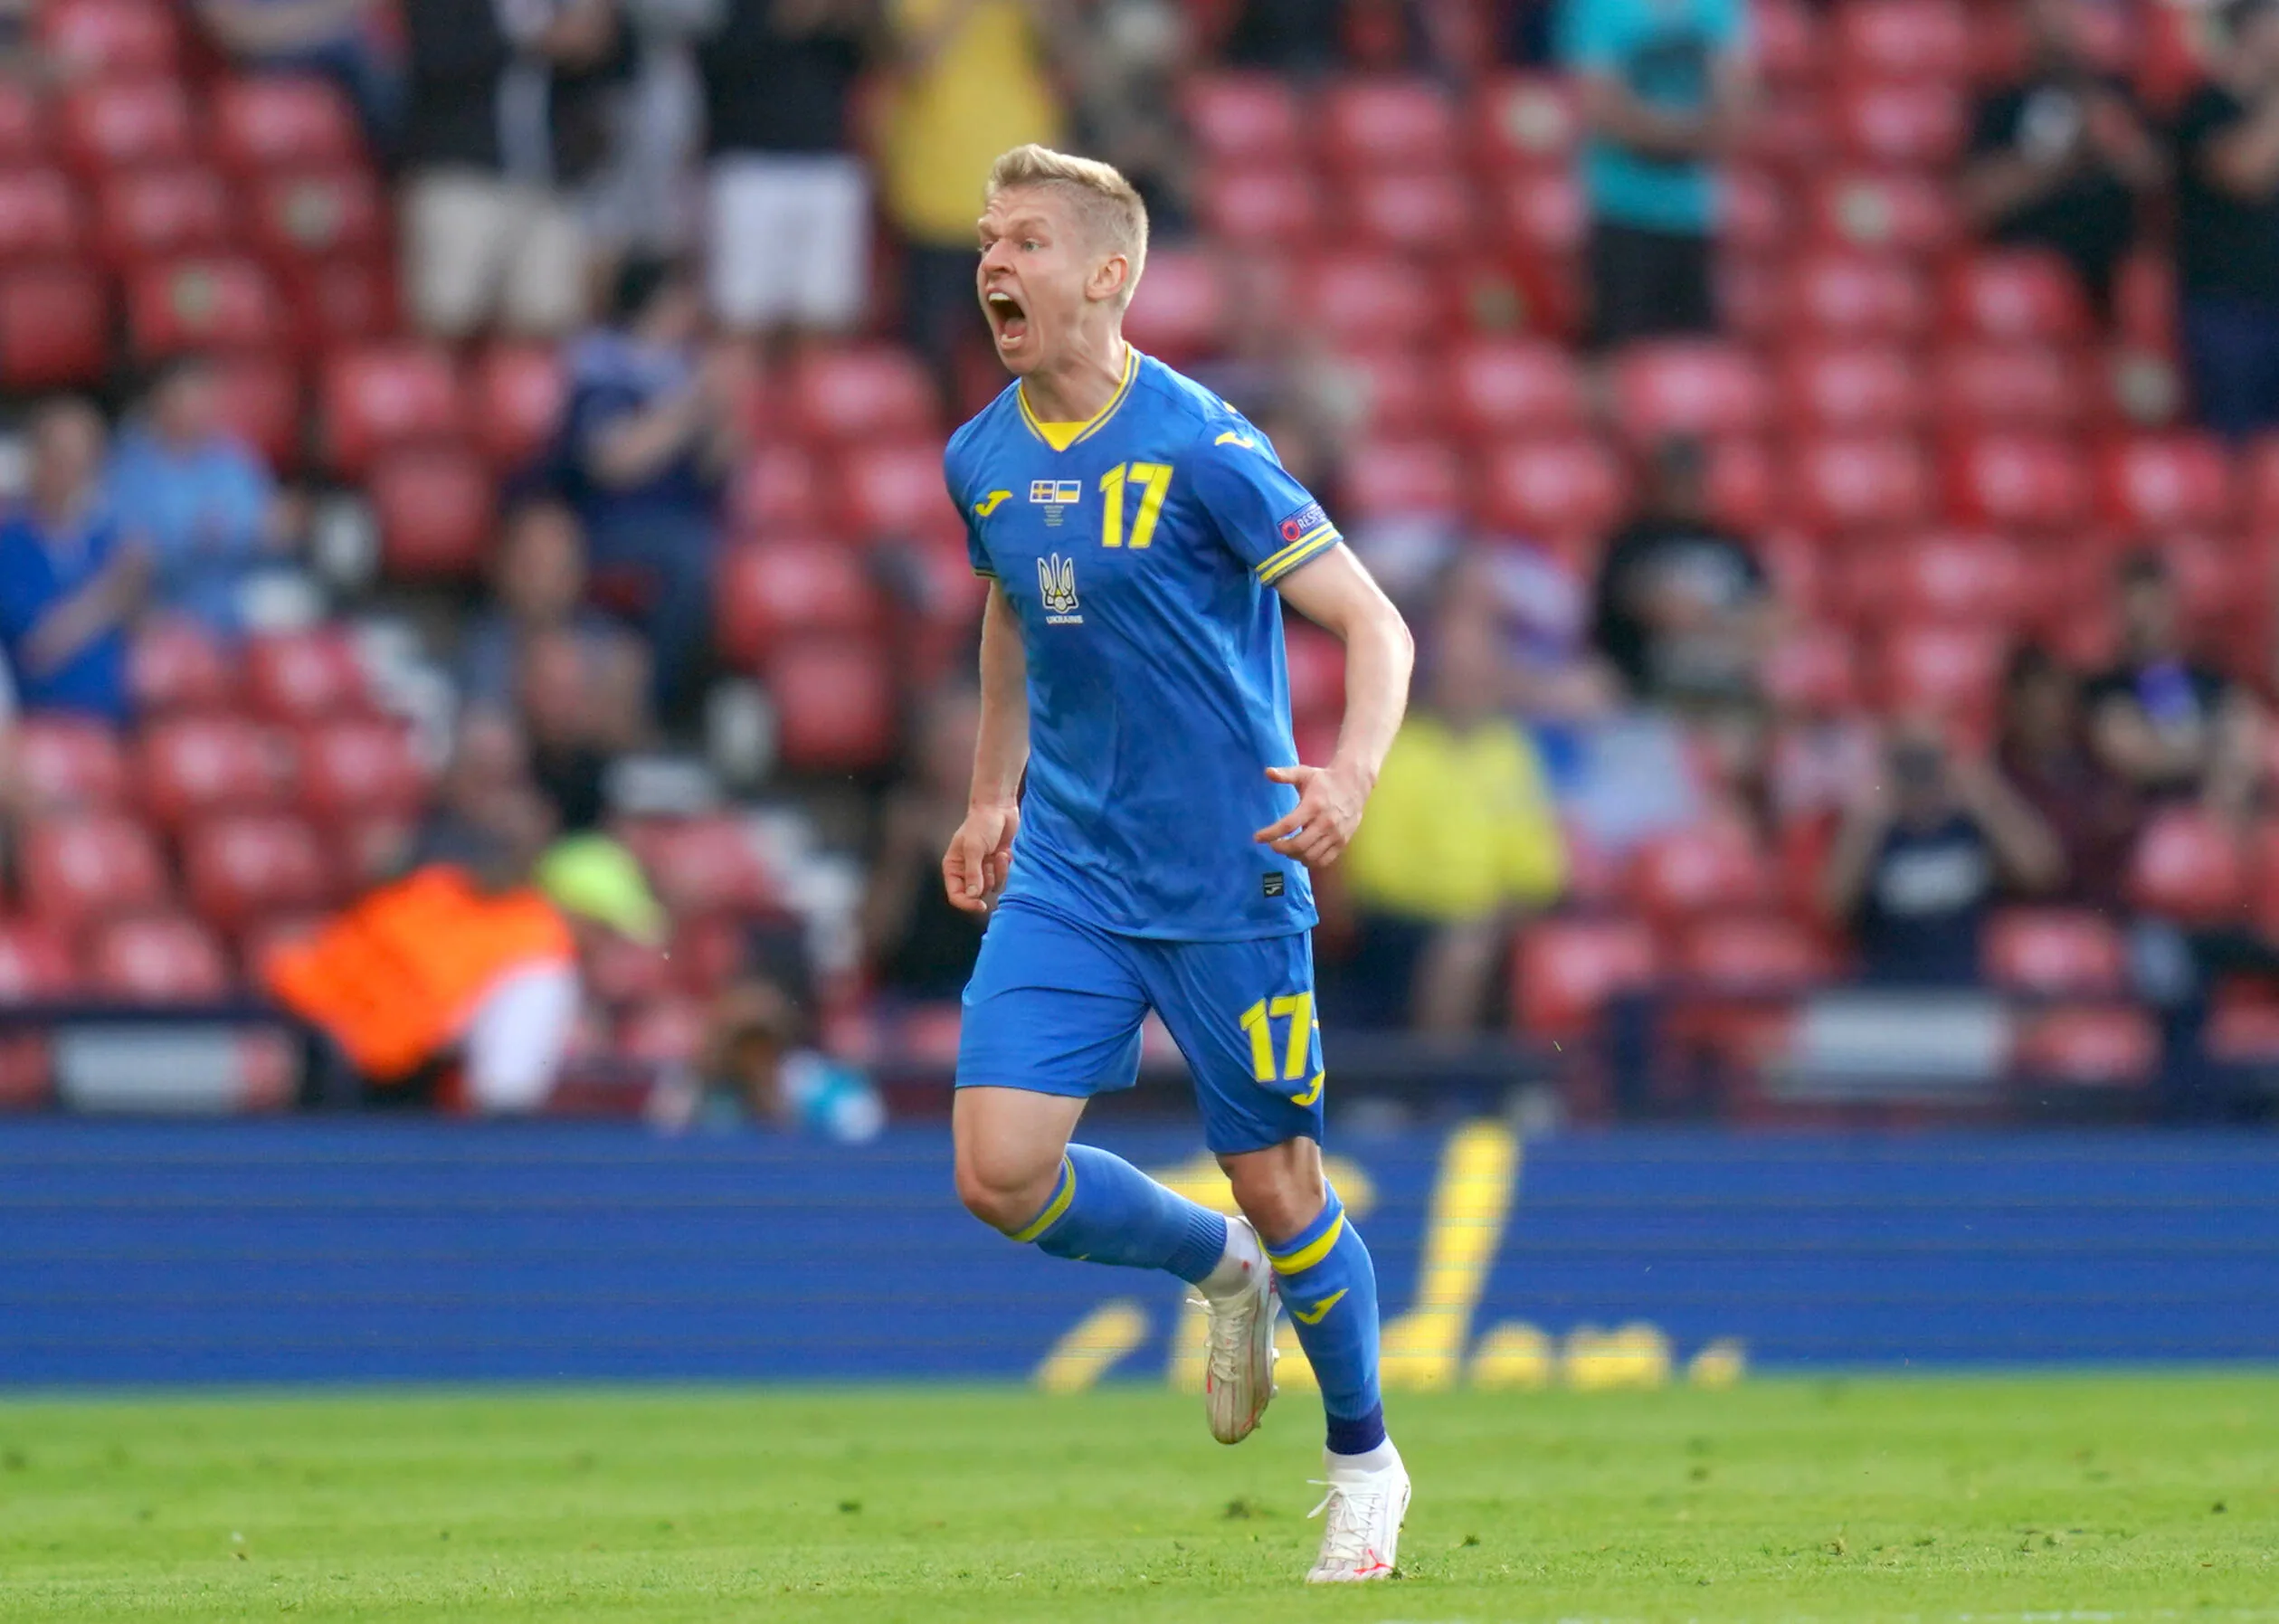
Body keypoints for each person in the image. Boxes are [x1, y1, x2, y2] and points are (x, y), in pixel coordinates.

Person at [941, 145, 1416, 1581]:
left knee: (1280, 1177)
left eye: (1025, 240)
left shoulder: (1205, 448)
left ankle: (1364, 1461)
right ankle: (1217, 1266)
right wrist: (990, 794)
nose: (993, 261)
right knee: (997, 1172)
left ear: (1107, 274)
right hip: (1071, 868)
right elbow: (1012, 609)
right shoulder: (980, 456)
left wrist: (1347, 774)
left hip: (1225, 874)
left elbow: (1376, 624)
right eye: (987, 239)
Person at [271, 830, 664, 1114]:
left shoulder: (453, 892)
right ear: (582, 917)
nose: (612, 948)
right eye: (609, 931)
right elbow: (504, 1093)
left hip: (292, 1026)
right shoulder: (543, 961)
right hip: (354, 1080)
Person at [1337, 609, 1566, 1030]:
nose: (1469, 689)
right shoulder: (1394, 751)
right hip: (1408, 921)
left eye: (1480, 677)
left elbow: (1537, 860)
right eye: (1458, 676)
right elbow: (1377, 870)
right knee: (1462, 953)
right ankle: (1439, 1067)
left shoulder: (1510, 750)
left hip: (1497, 919)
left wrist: (1499, 909)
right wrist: (1466, 912)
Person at [554, 256, 738, 720]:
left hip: (686, 520)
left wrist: (724, 420)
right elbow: (611, 462)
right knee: (692, 557)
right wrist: (690, 409)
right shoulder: (601, 365)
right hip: (613, 523)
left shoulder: (687, 367)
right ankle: (655, 701)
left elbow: (713, 473)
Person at [399, 0, 625, 340]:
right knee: (449, 314)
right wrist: (530, 38)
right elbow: (433, 60)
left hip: (548, 180)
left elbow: (614, 72)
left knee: (544, 318)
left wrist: (596, 36)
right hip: (463, 174)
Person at [883, 0, 1065, 390]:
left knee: (1024, 343)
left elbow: (1068, 57)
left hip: (1020, 191)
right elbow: (912, 63)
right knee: (931, 344)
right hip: (940, 194)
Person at [1556, 0, 1751, 348]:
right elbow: (1599, 108)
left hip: (1695, 218)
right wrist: (1693, 133)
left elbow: (1737, 109)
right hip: (1619, 212)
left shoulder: (1719, 8)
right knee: (1619, 352)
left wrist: (1654, 130)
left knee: (1693, 360)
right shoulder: (1598, 8)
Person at [1821, 721, 2063, 987]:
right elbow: (1833, 908)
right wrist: (1864, 823)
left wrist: (1988, 799)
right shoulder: (1875, 831)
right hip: (1886, 987)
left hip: (1963, 985)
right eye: (1907, 763)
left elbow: (2041, 871)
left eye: (1928, 762)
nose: (1919, 775)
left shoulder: (1970, 827)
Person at [1961, 0, 2162, 317]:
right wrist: (2062, 158)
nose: (2060, 21)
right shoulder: (2001, 99)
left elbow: (2153, 174)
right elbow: (1977, 198)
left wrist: (2115, 137)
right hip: (2025, 288)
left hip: (2106, 285)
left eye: (2069, 8)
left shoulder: (2116, 92)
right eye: (2048, 10)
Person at [698, 0, 875, 337]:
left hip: (827, 165)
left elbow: (872, 57)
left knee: (822, 314)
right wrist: (791, 16)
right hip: (747, 167)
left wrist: (853, 17)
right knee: (741, 314)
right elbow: (713, 59)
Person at [104, 357, 294, 639]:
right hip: (162, 610)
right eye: (186, 397)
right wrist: (194, 538)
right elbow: (128, 554)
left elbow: (271, 528)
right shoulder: (129, 467)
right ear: (160, 401)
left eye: (204, 397)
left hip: (239, 601)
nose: (198, 408)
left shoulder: (235, 457)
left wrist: (274, 531)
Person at [2083, 551, 2263, 821]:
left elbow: (2245, 734)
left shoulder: (2210, 675)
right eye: (2136, 608)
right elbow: (2138, 757)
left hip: (2217, 812)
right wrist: (2213, 749)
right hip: (2149, 821)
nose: (2146, 619)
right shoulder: (2106, 688)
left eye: (2154, 605)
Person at [1590, 437, 1770, 708]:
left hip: (1728, 672)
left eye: (1691, 480)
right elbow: (1660, 609)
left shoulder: (1727, 541)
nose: (1684, 491)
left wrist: (1721, 621)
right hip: (1652, 684)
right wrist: (1727, 618)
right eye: (1676, 481)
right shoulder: (1633, 542)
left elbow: (1771, 610)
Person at [0, 401, 149, 726]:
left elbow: (137, 636)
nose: (72, 474)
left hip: (115, 723)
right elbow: (36, 651)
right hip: (39, 725)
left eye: (83, 462)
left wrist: (136, 587)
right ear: (35, 459)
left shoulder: (108, 540)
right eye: (61, 459)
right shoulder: (10, 543)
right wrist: (112, 590)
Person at [2173, 0, 2279, 438]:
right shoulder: (2204, 106)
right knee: (2232, 445)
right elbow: (2245, 173)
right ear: (2248, 28)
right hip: (2227, 310)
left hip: (2272, 302)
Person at [458, 499, 652, 725]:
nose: (543, 579)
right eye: (532, 563)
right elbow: (482, 726)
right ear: (499, 563)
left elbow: (633, 737)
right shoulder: (477, 649)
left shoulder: (616, 651)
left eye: (559, 563)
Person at [861, 684, 988, 1001]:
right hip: (907, 992)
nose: (959, 764)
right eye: (949, 749)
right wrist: (900, 858)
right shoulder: (901, 818)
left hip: (988, 986)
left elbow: (1009, 928)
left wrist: (952, 849)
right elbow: (874, 939)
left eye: (969, 750)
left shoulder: (1016, 823)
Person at [1994, 643, 2140, 912]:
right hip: (2032, 916)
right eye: (2034, 703)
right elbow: (2040, 869)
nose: (2045, 714)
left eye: (2053, 700)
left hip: (2105, 912)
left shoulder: (2096, 760)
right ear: (2013, 706)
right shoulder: (2000, 772)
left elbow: (2122, 828)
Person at [193, 0, 404, 156]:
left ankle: (404, 169)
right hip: (262, 61)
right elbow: (235, 33)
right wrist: (313, 24)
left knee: (381, 63)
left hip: (338, 51)